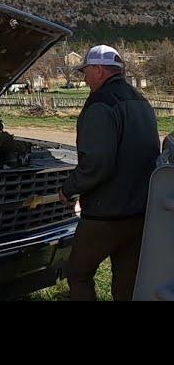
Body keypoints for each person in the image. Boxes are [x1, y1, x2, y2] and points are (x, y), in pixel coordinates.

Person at [59, 44, 160, 301]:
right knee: (126, 283)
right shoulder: (141, 102)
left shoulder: (101, 103)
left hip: (106, 214)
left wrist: (68, 188)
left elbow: (97, 163)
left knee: (78, 273)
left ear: (99, 70)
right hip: (139, 212)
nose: (84, 77)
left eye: (86, 71)